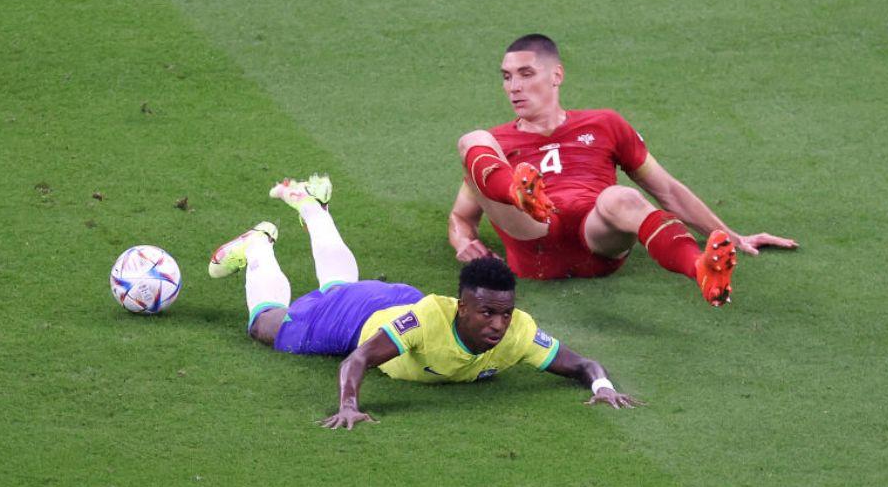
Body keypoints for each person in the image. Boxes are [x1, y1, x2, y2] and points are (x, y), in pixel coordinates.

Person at [208, 174, 641, 429]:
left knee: (341, 284)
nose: (498, 325)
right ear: (462, 307)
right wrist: (349, 407)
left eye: (504, 314)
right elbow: (358, 359)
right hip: (361, 317)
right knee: (268, 326)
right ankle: (258, 244)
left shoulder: (519, 333)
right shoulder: (426, 322)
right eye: (488, 313)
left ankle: (312, 207)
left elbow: (584, 364)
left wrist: (603, 388)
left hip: (395, 300)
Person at [449, 34, 798, 307]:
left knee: (622, 196)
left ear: (557, 75)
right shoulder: (493, 145)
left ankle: (701, 270)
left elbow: (667, 190)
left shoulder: (605, 123)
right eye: (507, 77)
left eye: (526, 74)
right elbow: (461, 218)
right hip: (534, 240)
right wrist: (463, 240)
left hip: (597, 240)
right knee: (472, 139)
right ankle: (521, 193)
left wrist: (731, 236)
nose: (514, 87)